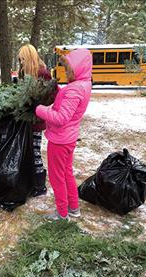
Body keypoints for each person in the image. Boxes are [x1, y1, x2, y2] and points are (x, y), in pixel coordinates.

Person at [34, 48, 92, 220]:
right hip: (69, 137)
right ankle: (73, 207)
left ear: (79, 68)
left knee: (57, 177)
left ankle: (62, 213)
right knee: (66, 173)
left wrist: (38, 109)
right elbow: (67, 103)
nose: (66, 72)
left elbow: (61, 118)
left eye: (69, 69)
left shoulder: (74, 90)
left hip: (60, 140)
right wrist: (58, 89)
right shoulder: (83, 84)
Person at [17, 44, 55, 197]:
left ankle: (40, 186)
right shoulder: (25, 73)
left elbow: (51, 96)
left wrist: (37, 105)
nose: (21, 63)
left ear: (29, 58)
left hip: (37, 120)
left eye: (22, 59)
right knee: (29, 152)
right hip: (25, 120)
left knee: (35, 152)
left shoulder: (42, 73)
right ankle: (32, 182)